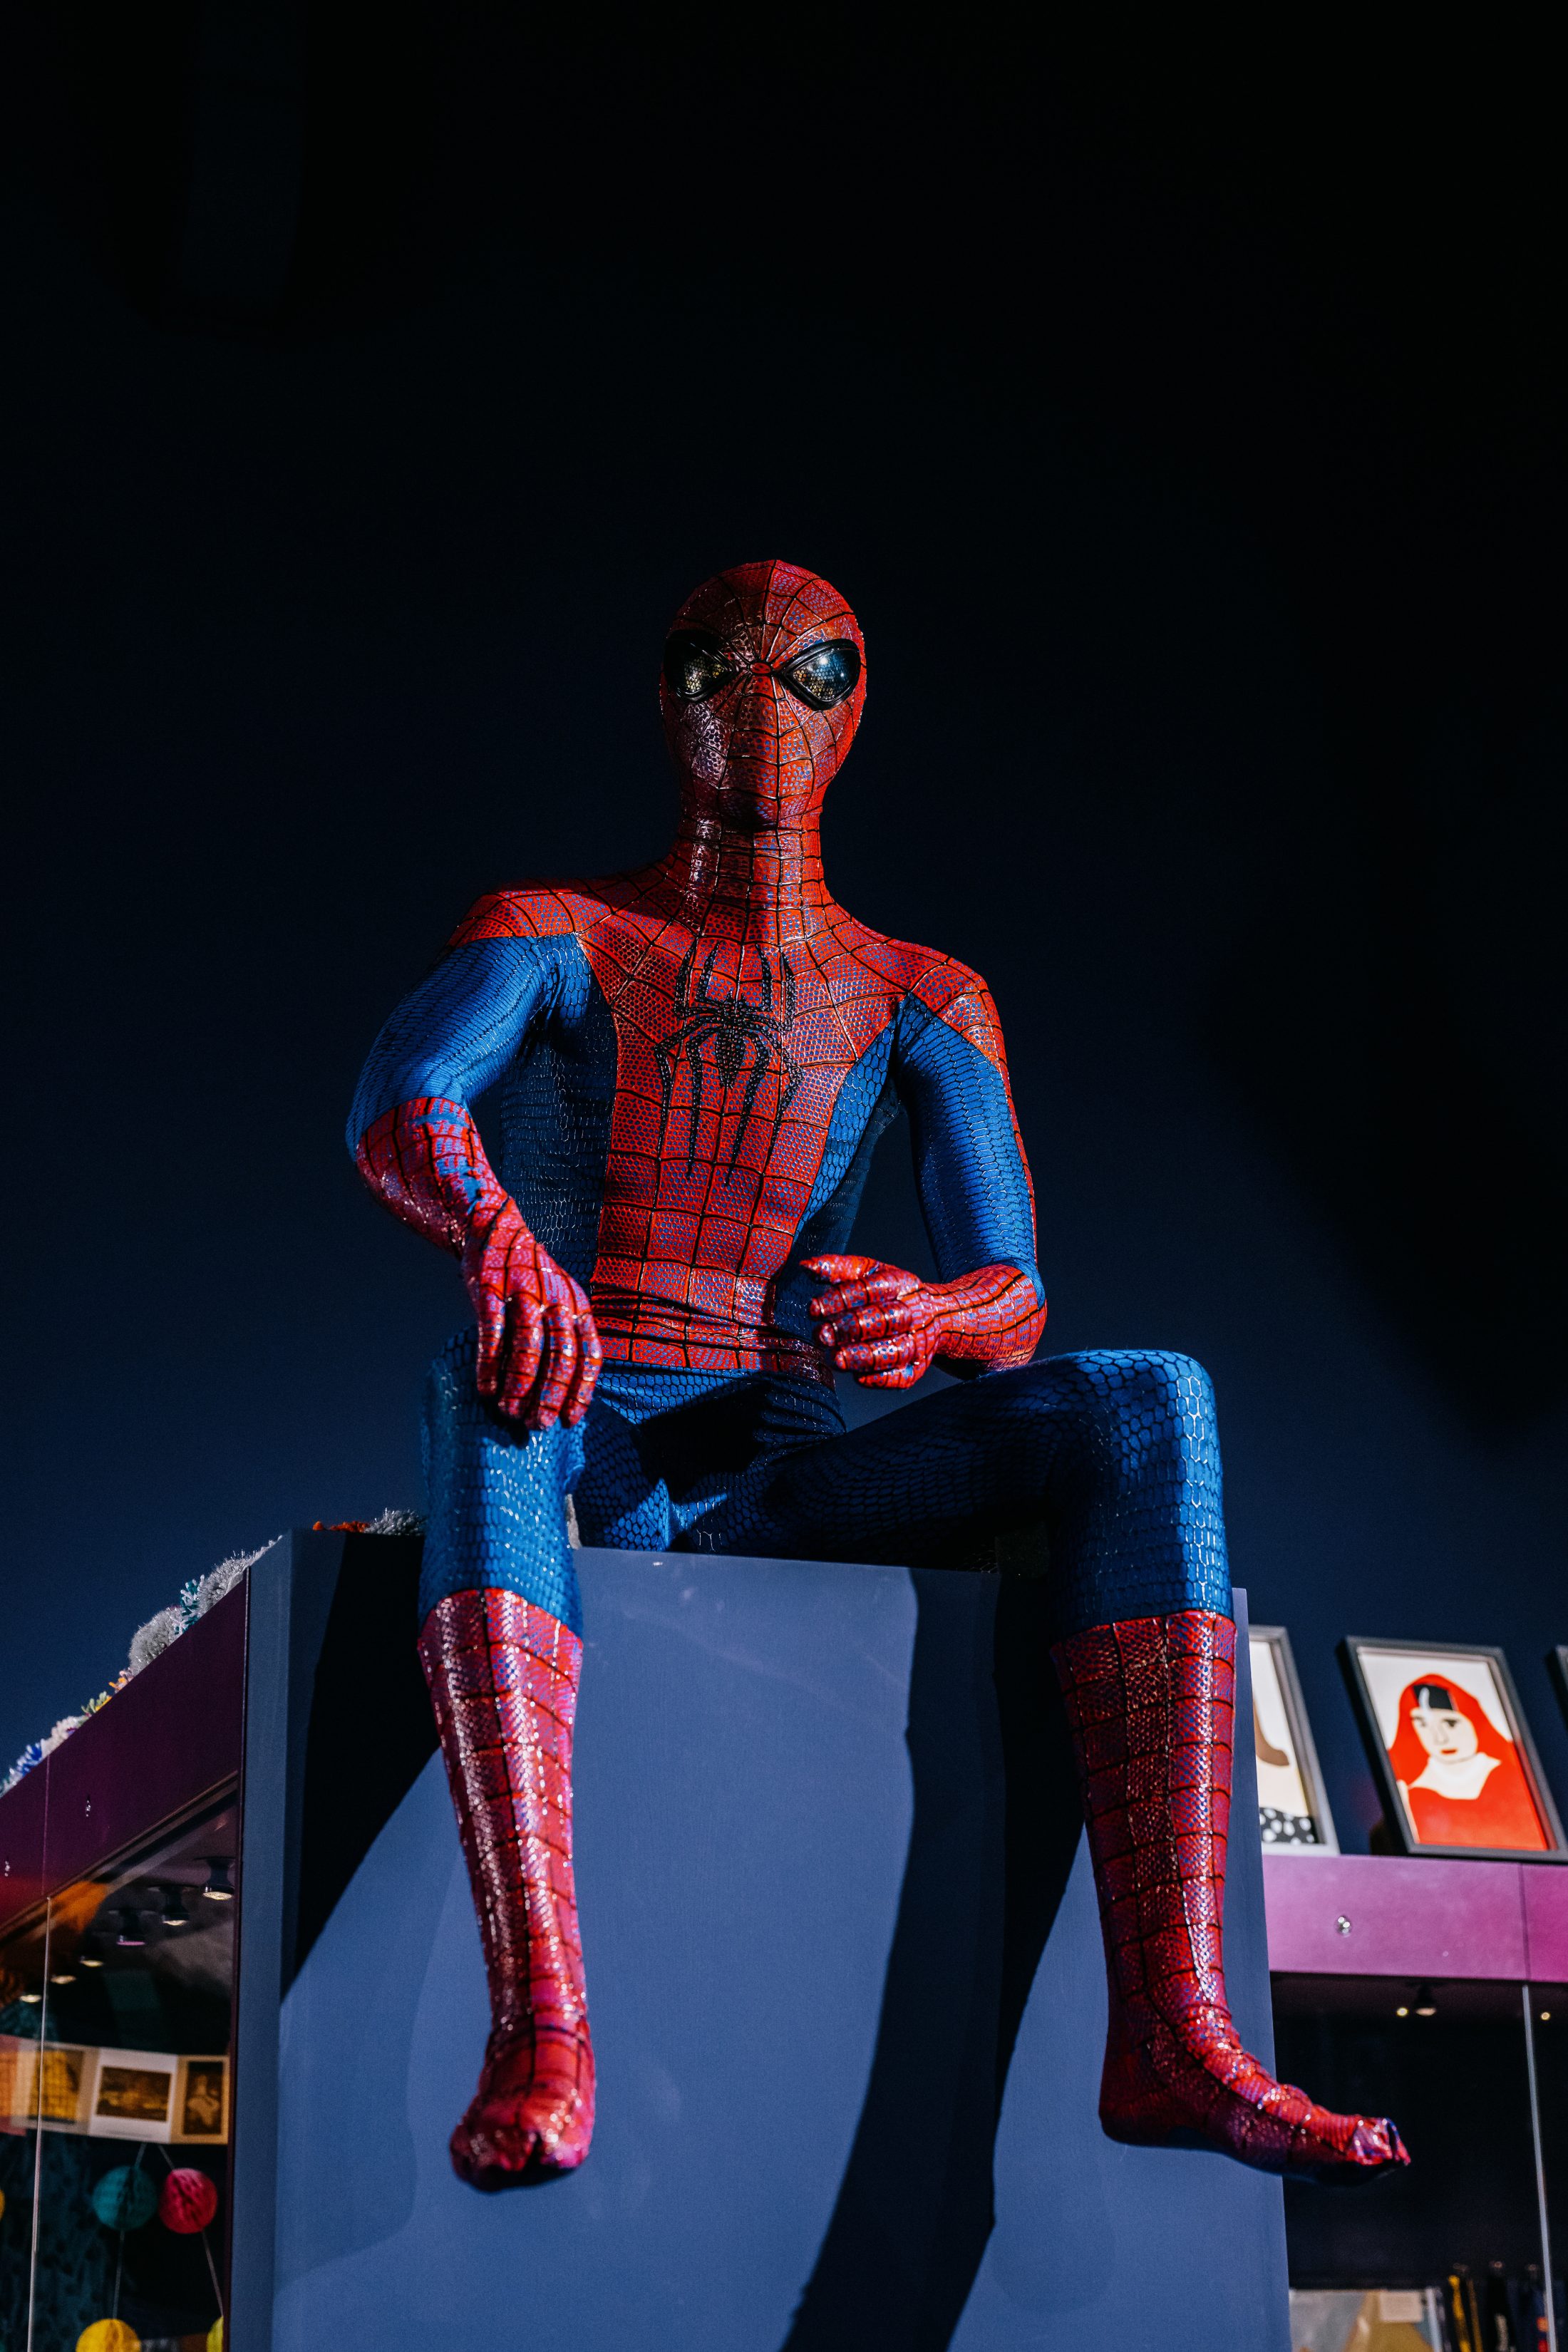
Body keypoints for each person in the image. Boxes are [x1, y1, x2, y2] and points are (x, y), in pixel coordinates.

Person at [349, 559, 1406, 2192]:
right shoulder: (557, 934)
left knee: (1154, 1402)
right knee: (482, 1386)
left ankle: (1177, 2029)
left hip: (782, 1480)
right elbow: (406, 1102)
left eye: (808, 674)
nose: (759, 710)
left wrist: (933, 1315)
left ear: (856, 707)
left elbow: (1018, 1293)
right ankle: (544, 2024)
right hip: (580, 1432)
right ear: (669, 698)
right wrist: (493, 1228)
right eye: (717, 669)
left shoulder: (920, 997)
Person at [1388, 1678, 1548, 1850]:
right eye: (1423, 1725)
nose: (1440, 1738)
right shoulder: (1405, 1792)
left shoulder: (1522, 1780)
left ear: (1473, 1719)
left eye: (1450, 1723)